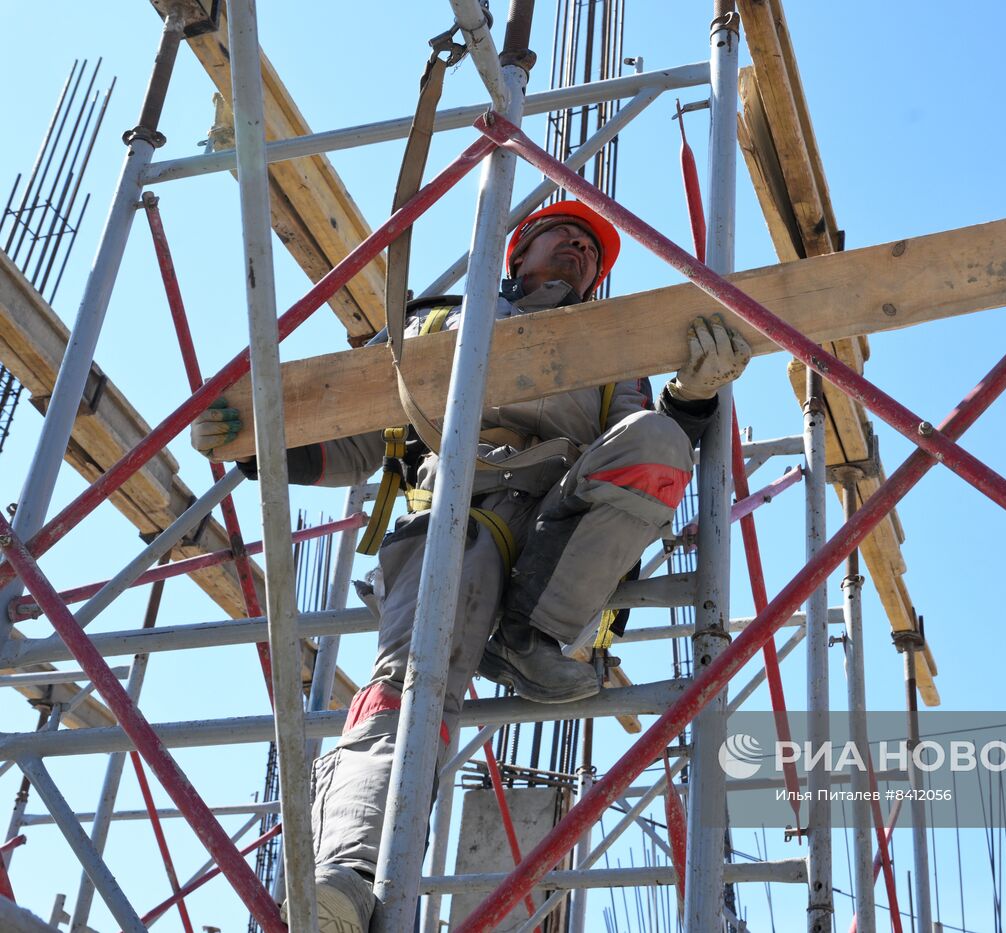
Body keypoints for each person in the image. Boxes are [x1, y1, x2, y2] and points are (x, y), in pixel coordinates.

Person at [191, 200, 752, 932]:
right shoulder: (438, 326)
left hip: (558, 532)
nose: (581, 249)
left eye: (593, 249)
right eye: (565, 235)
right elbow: (363, 435)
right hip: (455, 513)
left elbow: (655, 442)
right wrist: (255, 444)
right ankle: (352, 879)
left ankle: (531, 638)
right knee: (403, 698)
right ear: (517, 252)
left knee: (657, 445)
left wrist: (695, 395)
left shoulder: (612, 352)